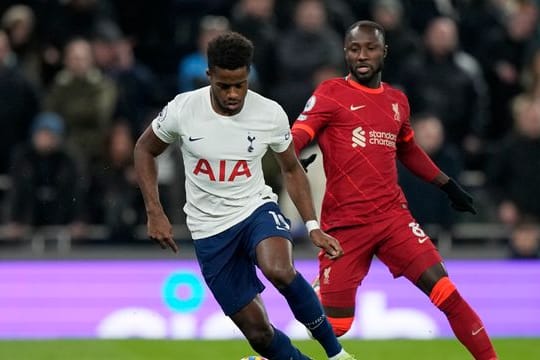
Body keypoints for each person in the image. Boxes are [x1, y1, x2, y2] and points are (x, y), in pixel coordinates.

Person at [134, 31, 355, 360]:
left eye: (240, 84)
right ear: (210, 75)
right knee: (259, 334)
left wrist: (312, 225)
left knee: (279, 269)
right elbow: (144, 149)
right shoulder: (184, 108)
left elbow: (292, 169)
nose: (234, 93)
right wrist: (154, 211)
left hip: (255, 210)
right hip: (209, 230)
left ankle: (337, 354)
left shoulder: (269, 113)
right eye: (224, 86)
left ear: (248, 74)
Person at [292, 21, 498, 360]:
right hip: (345, 225)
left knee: (447, 293)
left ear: (383, 52)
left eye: (370, 48)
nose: (362, 56)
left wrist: (447, 184)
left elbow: (409, 150)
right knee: (336, 328)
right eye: (354, 49)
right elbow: (297, 135)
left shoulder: (397, 101)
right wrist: (295, 155)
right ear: (345, 52)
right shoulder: (330, 92)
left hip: (392, 218)